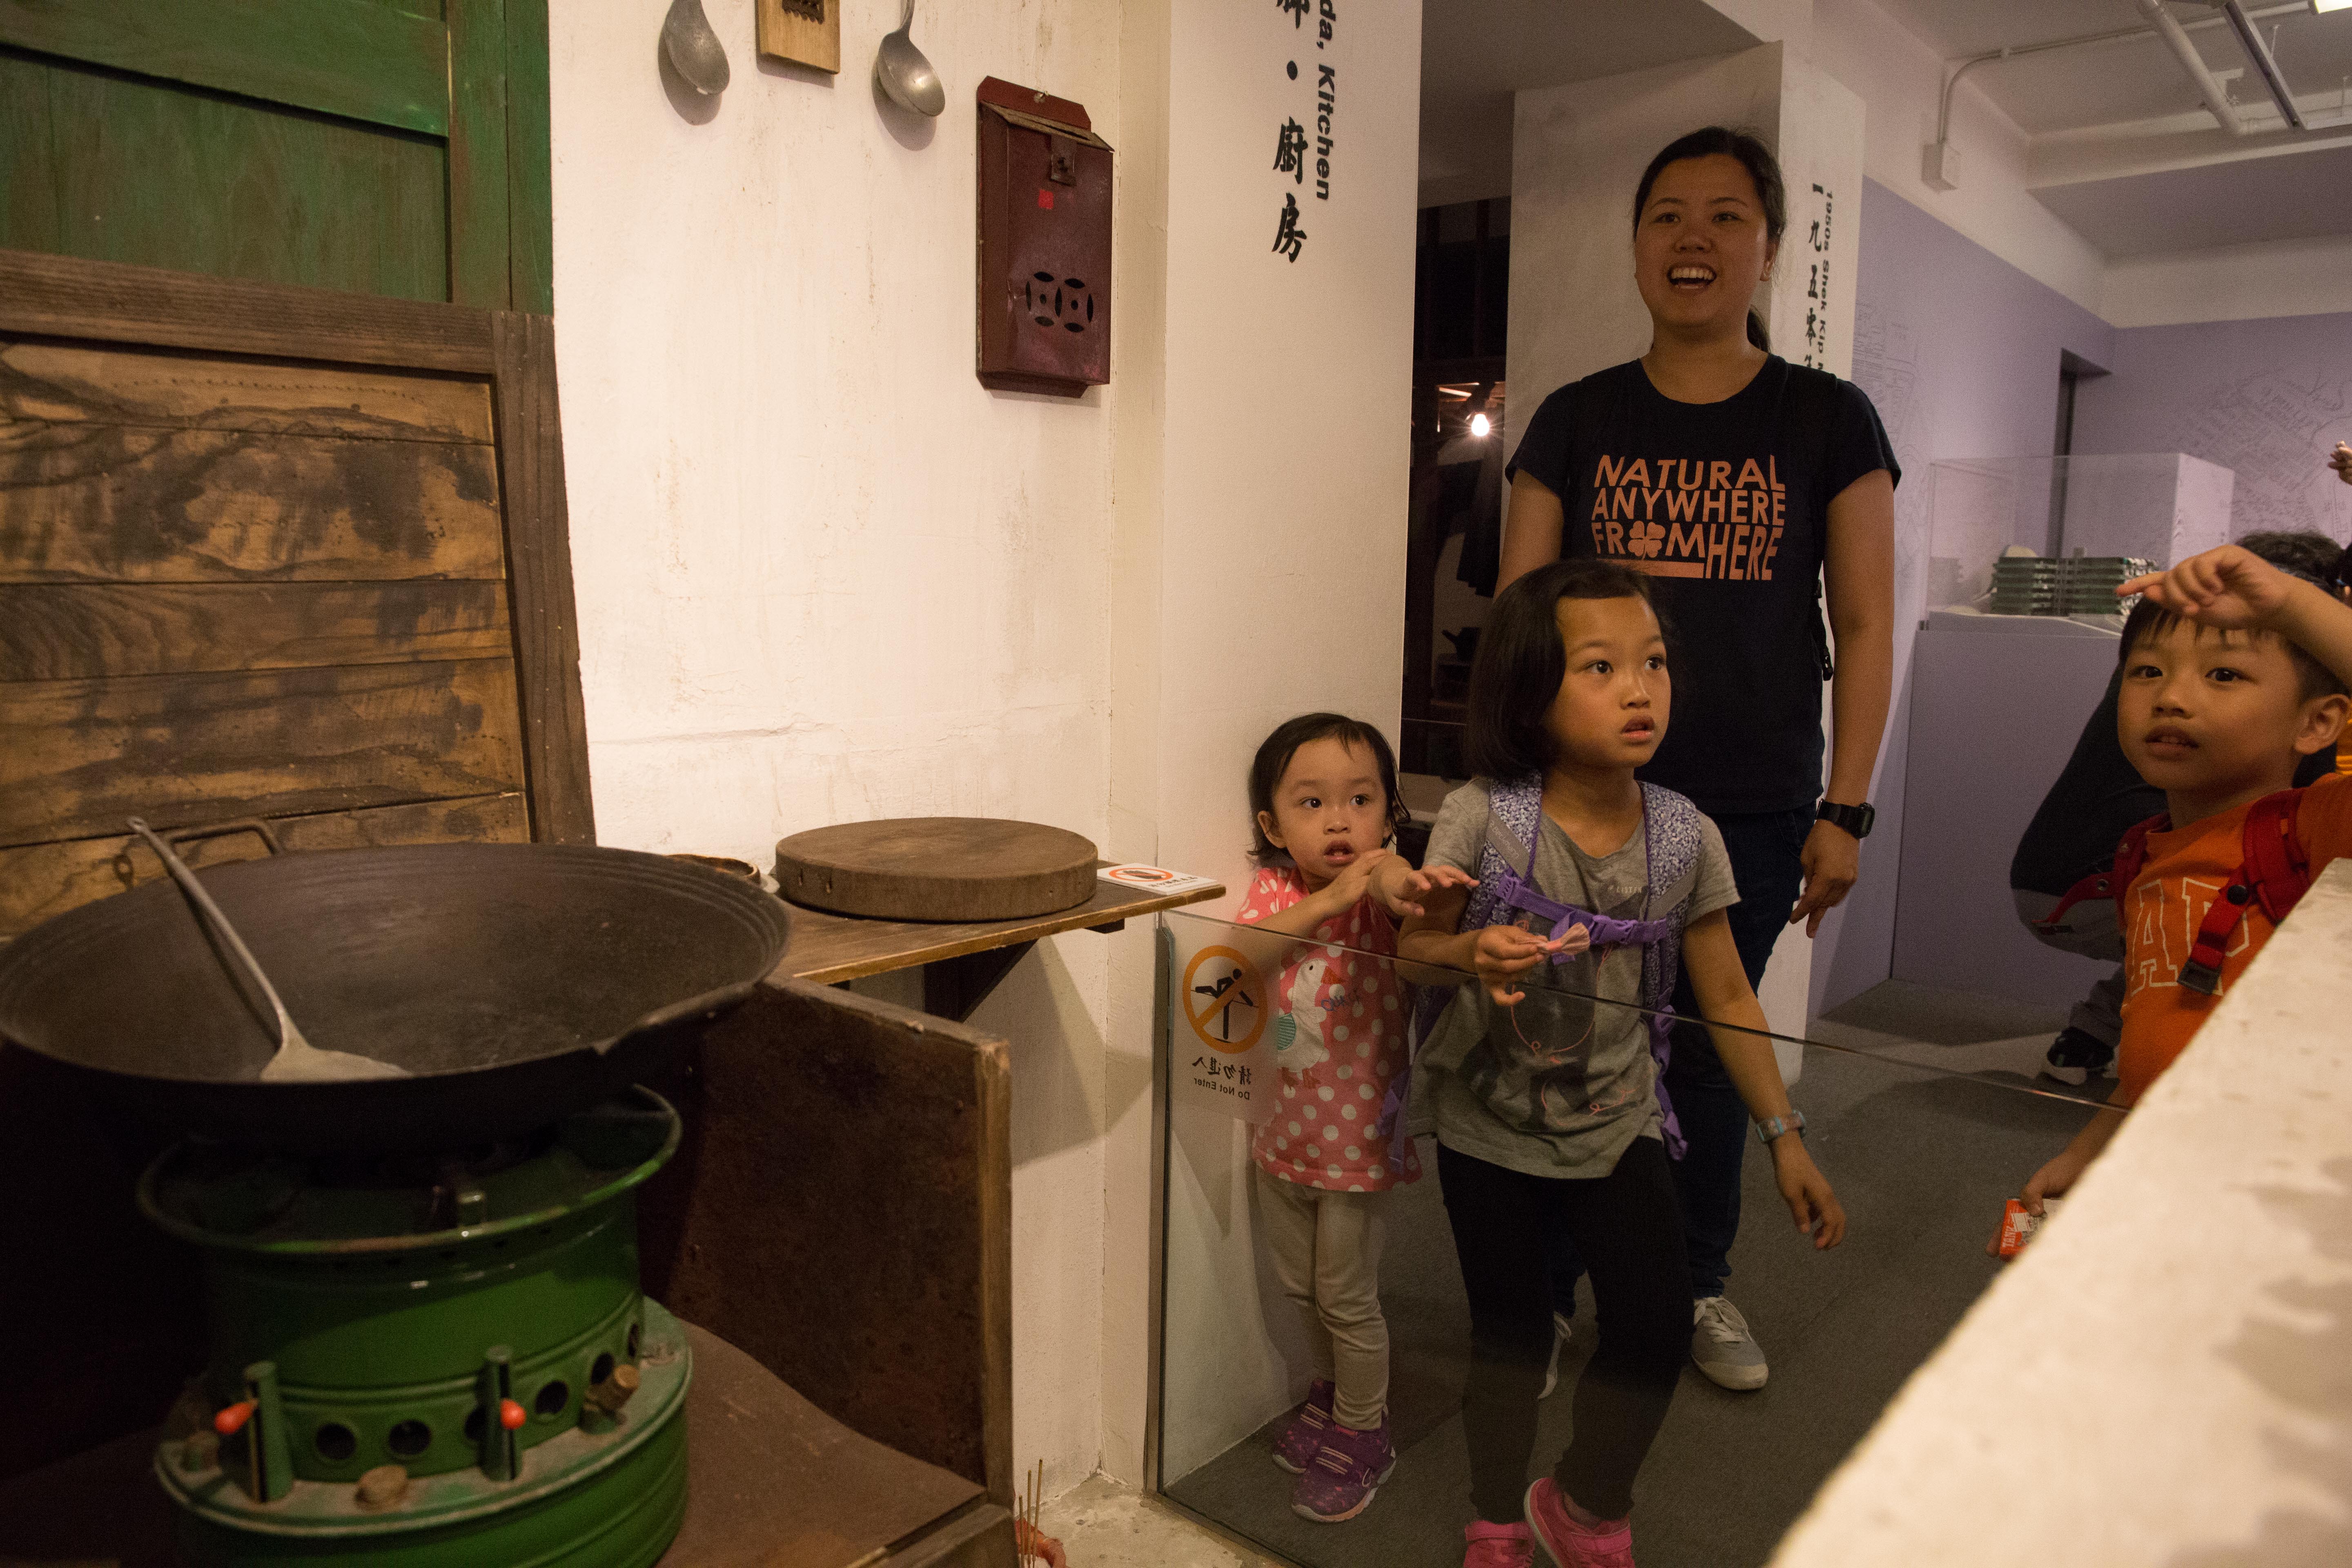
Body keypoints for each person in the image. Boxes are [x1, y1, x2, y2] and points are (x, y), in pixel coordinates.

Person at [1494, 125, 1896, 1391]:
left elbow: (1866, 624)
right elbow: (1520, 617)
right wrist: (1513, 796)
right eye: (1668, 213)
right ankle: (1551, 1293)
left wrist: (1847, 809)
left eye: (1727, 215)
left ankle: (1696, 1282)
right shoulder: (1575, 419)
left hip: (1756, 801)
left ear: (1767, 249)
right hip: (1585, 797)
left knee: (1714, 1053)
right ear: (1635, 245)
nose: (1694, 238)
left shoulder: (1827, 418)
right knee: (1563, 1044)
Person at [1399, 561, 1846, 1568]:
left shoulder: (1686, 835)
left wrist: (1784, 1135)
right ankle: (1494, 1519)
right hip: (1488, 1118)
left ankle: (1587, 1503)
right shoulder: (1484, 816)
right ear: (1531, 692)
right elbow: (1413, 953)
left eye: (1653, 663)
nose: (1639, 690)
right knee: (1511, 1341)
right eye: (1599, 668)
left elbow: (1728, 998)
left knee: (1652, 1327)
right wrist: (1469, 949)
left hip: (1617, 1115)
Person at [1995, 543, 2352, 1235]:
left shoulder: (2314, 832)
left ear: (2317, 722)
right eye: (2148, 671)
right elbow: (2160, 1041)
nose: (2172, 697)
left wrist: (2291, 605)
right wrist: (2091, 1151)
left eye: (2224, 674)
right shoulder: (2145, 851)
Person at [1233, 713, 1472, 1524]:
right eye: (1312, 803)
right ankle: (1333, 1394)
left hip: (1358, 1142)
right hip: (1279, 1132)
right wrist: (1326, 900)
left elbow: (1400, 888)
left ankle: (1366, 1429)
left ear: (1390, 813)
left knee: (1346, 1295)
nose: (1339, 821)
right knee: (1298, 1286)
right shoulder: (1276, 893)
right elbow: (1238, 955)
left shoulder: (1381, 890)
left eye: (1360, 800)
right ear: (1273, 826)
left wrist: (1389, 885)